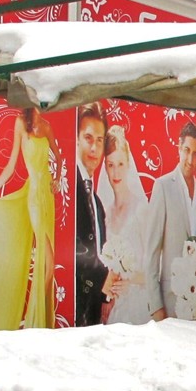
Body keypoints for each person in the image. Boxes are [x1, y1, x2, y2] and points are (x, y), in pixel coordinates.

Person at [0, 109, 56, 329]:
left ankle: (42, 322)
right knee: (49, 261)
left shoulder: (46, 126)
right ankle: (35, 323)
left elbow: (60, 155)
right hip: (34, 197)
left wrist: (56, 179)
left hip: (47, 196)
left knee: (49, 263)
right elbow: (11, 165)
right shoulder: (21, 123)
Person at [145, 120, 196, 320]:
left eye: (195, 154)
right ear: (179, 148)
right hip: (170, 302)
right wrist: (156, 306)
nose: (190, 159)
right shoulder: (162, 187)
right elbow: (151, 252)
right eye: (186, 150)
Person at [96, 125, 151, 324]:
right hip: (110, 306)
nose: (116, 172)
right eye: (110, 165)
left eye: (120, 164)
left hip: (135, 304)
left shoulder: (140, 209)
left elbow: (155, 269)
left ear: (128, 164)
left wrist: (130, 282)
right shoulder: (105, 212)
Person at [73, 104, 111, 326]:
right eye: (88, 138)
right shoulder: (69, 187)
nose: (94, 148)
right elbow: (72, 248)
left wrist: (106, 292)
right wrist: (101, 280)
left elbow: (99, 252)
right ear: (76, 139)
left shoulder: (96, 202)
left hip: (91, 314)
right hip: (71, 310)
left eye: (99, 140)